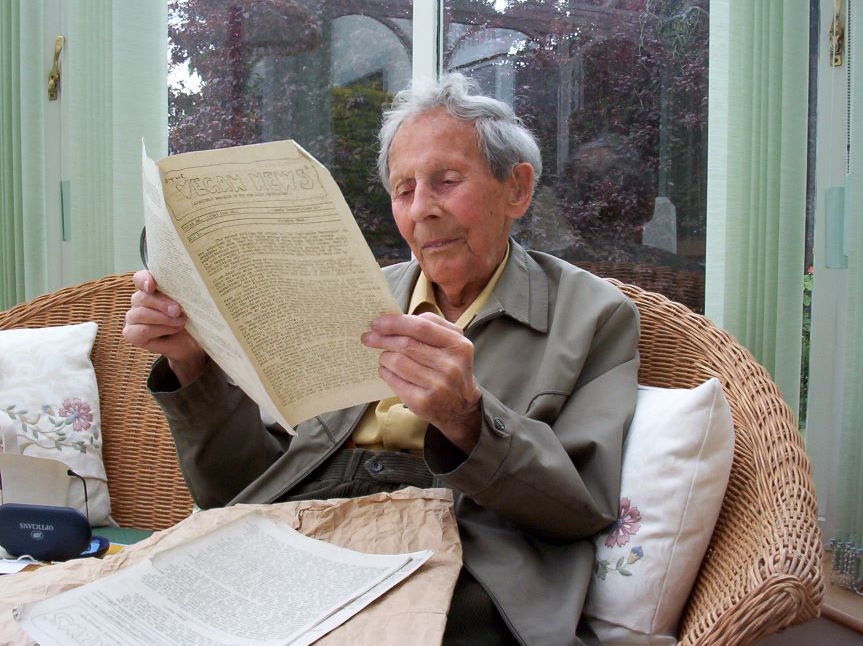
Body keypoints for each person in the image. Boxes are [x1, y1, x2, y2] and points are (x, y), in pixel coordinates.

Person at [124, 73, 639, 646]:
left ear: (516, 189)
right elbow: (232, 491)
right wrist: (194, 369)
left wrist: (469, 421)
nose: (423, 210)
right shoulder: (358, 295)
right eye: (403, 190)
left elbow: (580, 506)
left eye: (447, 181)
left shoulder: (591, 313)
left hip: (457, 552)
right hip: (302, 533)